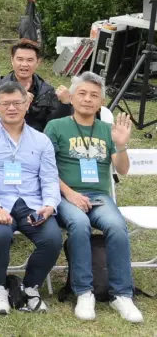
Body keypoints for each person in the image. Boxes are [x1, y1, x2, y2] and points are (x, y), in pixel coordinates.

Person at [46, 72, 144, 323]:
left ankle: (122, 294)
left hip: (99, 196)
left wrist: (121, 145)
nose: (88, 99)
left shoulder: (107, 130)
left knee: (117, 226)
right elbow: (45, 169)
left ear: (100, 102)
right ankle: (84, 292)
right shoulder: (56, 127)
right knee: (79, 225)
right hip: (66, 195)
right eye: (82, 93)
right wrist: (70, 193)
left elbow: (122, 169)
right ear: (71, 97)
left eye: (94, 95)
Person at [0, 80, 62, 316]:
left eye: (17, 103)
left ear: (27, 104)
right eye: (6, 104)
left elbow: (50, 177)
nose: (12, 108)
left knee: (52, 238)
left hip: (32, 203)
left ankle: (30, 287)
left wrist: (50, 204)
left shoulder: (41, 140)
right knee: (0, 234)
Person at [0, 40, 71, 131]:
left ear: (37, 62)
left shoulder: (47, 91)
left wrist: (65, 105)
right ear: (12, 60)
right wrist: (18, 103)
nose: (24, 64)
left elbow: (54, 126)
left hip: (36, 141)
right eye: (20, 59)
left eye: (30, 60)